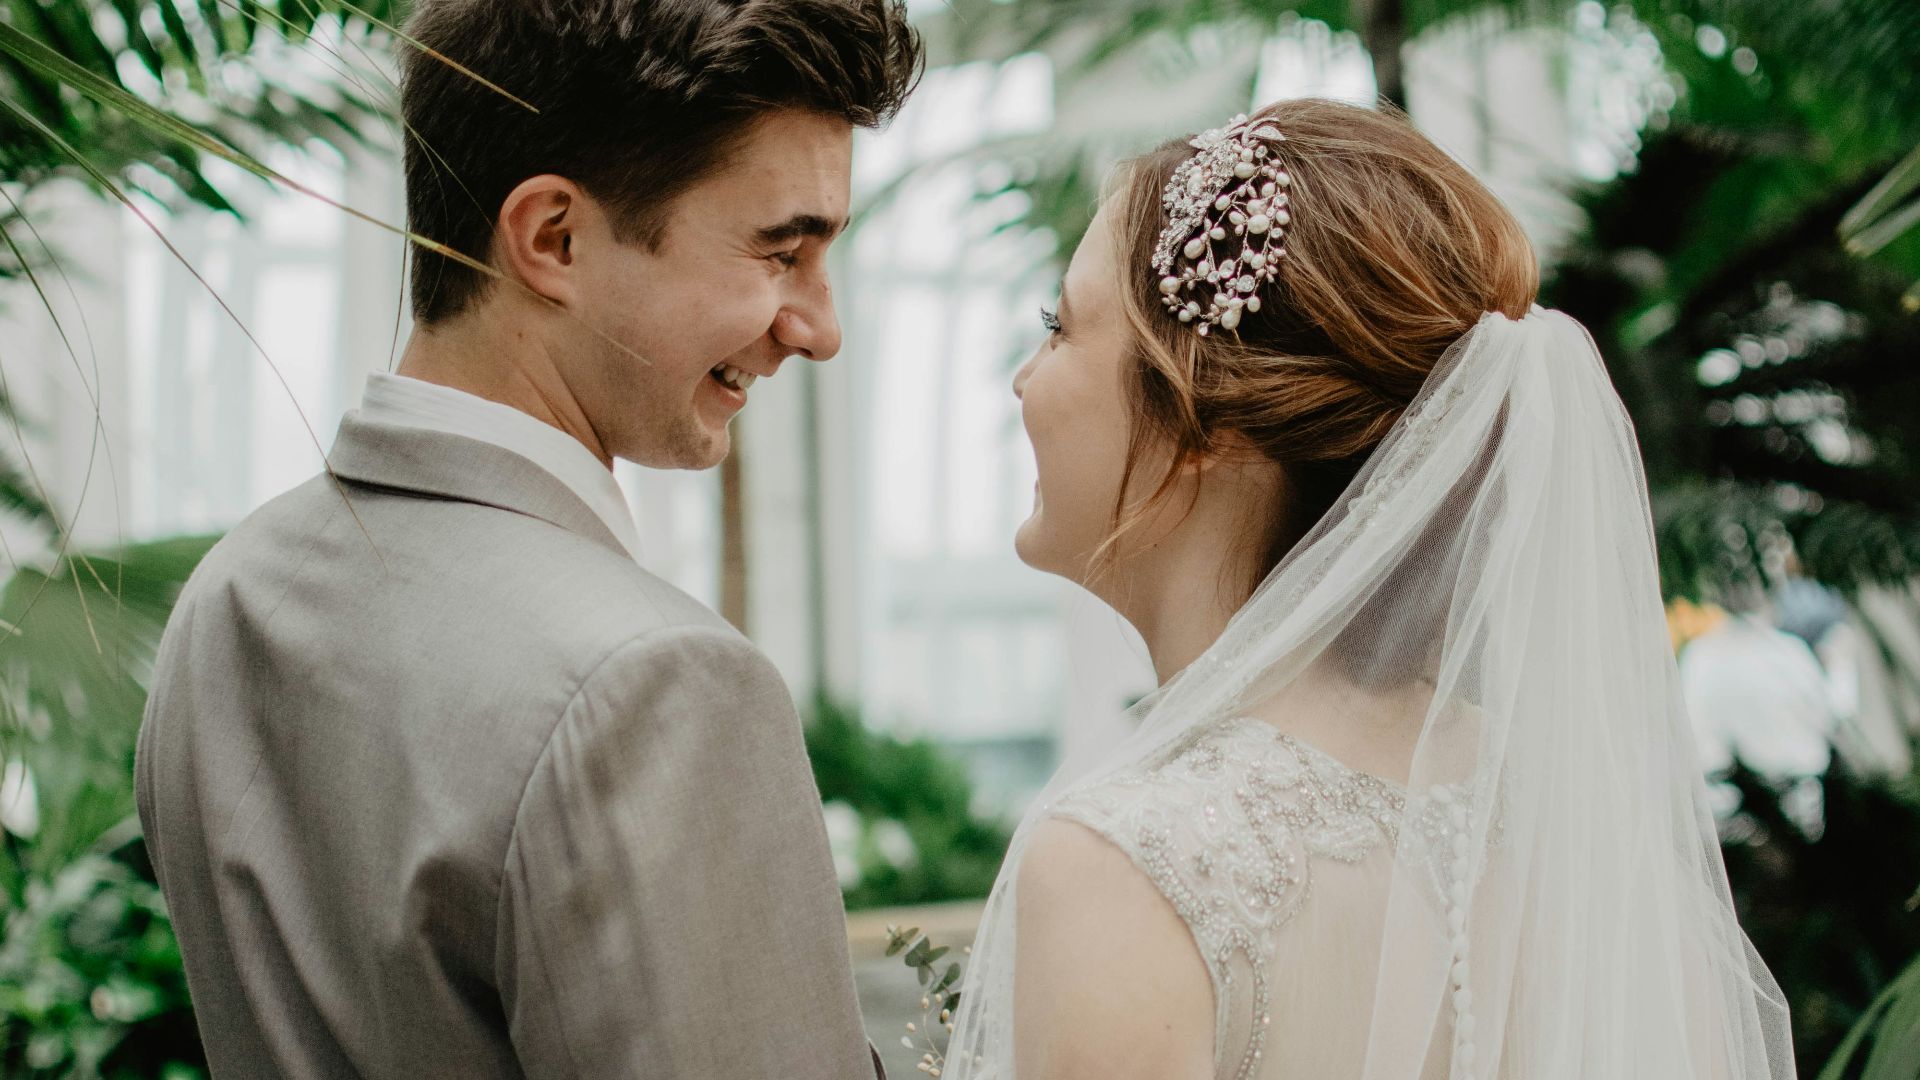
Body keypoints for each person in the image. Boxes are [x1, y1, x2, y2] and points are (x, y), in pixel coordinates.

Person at [134, 1, 920, 1076]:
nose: (819, 328)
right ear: (552, 237)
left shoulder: (228, 595)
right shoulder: (654, 685)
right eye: (781, 250)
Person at [946, 99, 1794, 1079]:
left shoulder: (1126, 862)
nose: (1021, 378)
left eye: (1061, 327)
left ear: (1202, 420)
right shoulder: (1575, 831)